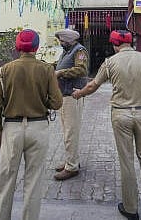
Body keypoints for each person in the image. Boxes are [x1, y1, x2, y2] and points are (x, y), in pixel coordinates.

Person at [72, 30, 141, 220]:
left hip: (121, 115)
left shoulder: (110, 62)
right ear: (131, 43)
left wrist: (79, 94)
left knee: (127, 161)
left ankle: (131, 209)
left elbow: (92, 86)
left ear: (114, 45)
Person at [0, 29, 63, 220]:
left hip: (12, 128)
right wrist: (42, 101)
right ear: (36, 47)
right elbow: (57, 102)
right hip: (38, 127)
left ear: (17, 46)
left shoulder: (5, 70)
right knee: (34, 181)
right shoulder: (47, 70)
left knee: (6, 179)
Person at [53, 28, 89, 181]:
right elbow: (61, 66)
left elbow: (81, 70)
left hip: (72, 96)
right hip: (65, 96)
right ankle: (71, 160)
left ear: (68, 40)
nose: (60, 43)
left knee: (70, 133)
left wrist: (60, 73)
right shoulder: (67, 51)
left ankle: (72, 167)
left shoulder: (79, 51)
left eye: (62, 40)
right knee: (68, 131)